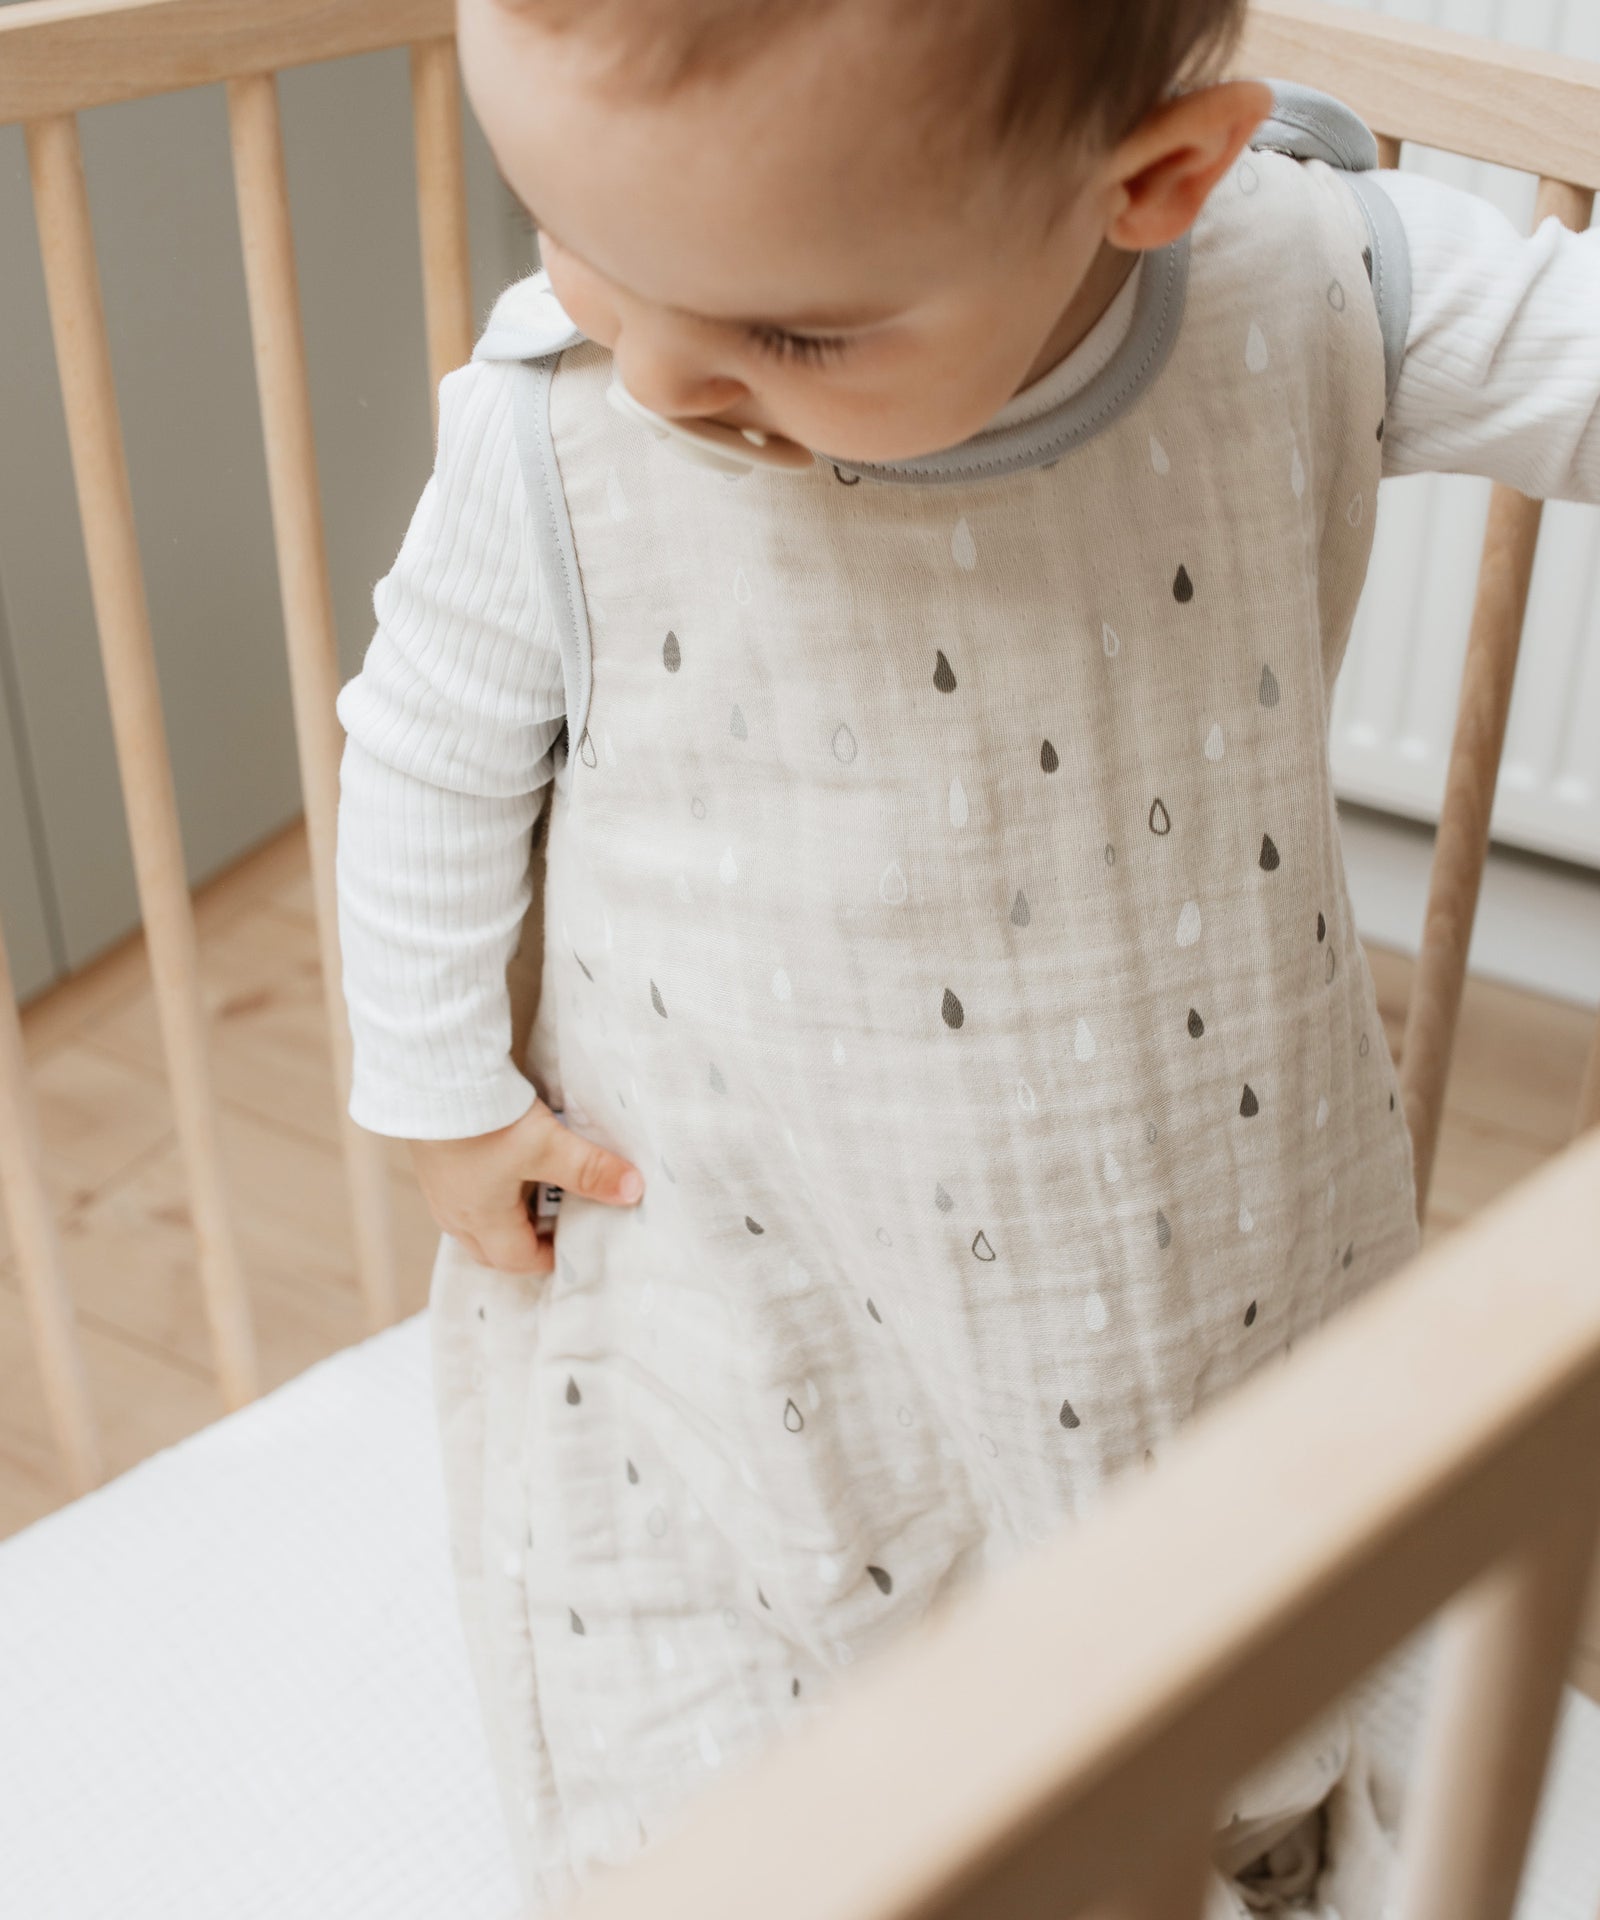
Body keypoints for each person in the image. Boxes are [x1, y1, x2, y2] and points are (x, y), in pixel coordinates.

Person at [334, 1, 1600, 1909]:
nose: (661, 370)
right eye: (571, 238)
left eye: (789, 333)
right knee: (765, 1670)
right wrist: (436, 1088)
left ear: (1151, 184)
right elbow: (427, 743)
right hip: (752, 1260)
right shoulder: (561, 435)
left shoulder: (1302, 283)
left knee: (1212, 1590)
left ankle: (1206, 1817)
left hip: (1200, 1234)